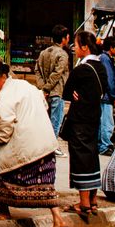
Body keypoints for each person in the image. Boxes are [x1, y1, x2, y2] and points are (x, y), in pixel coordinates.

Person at [0, 59, 69, 227]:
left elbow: (4, 130)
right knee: (46, 184)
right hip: (45, 144)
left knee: (0, 165)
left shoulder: (5, 97)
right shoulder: (25, 86)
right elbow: (42, 106)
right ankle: (58, 219)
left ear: (3, 77)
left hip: (26, 146)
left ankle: (3, 210)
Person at [61, 30, 108, 220]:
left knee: (80, 157)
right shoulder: (101, 67)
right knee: (91, 155)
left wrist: (74, 94)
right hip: (95, 117)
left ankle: (84, 202)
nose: (74, 47)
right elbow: (105, 90)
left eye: (76, 44)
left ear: (84, 47)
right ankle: (93, 200)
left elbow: (66, 92)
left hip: (79, 119)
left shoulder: (82, 69)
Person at [34, 24, 71, 154]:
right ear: (63, 38)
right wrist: (47, 88)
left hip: (47, 93)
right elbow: (57, 74)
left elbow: (37, 71)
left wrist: (42, 87)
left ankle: (46, 146)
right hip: (57, 92)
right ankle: (52, 147)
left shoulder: (44, 52)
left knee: (48, 121)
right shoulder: (62, 55)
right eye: (67, 37)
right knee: (56, 121)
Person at [98, 36, 115, 154]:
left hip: (104, 96)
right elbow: (110, 79)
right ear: (111, 47)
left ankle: (102, 145)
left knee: (103, 122)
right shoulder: (105, 59)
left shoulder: (106, 59)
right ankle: (104, 146)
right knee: (107, 123)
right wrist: (114, 96)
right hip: (106, 97)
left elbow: (114, 73)